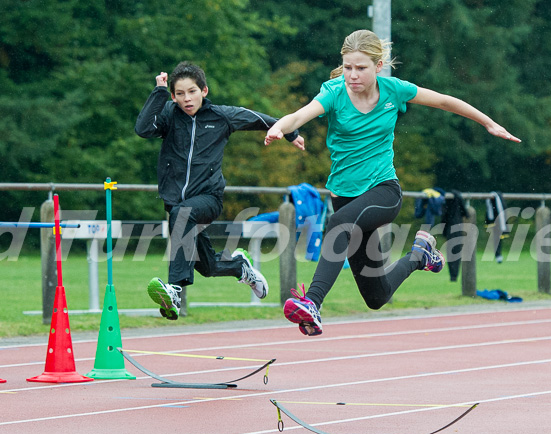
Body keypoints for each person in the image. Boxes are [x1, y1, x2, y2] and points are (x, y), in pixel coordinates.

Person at [264, 30, 520, 336]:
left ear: (378, 66)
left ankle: (313, 303)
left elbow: (445, 102)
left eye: (361, 68)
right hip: (345, 197)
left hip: (384, 191)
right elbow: (299, 115)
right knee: (377, 296)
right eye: (347, 67)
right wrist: (279, 128)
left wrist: (489, 123)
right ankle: (419, 256)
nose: (353, 75)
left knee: (340, 224)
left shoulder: (394, 90)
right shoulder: (333, 93)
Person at [135, 61, 305, 320]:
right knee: (208, 266)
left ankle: (175, 291)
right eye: (179, 94)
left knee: (183, 213)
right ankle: (240, 268)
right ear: (173, 96)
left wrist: (290, 132)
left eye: (192, 91)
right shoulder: (169, 114)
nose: (186, 99)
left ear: (204, 90)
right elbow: (143, 128)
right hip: (178, 207)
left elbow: (261, 119)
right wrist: (158, 92)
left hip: (208, 199)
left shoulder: (221, 116)